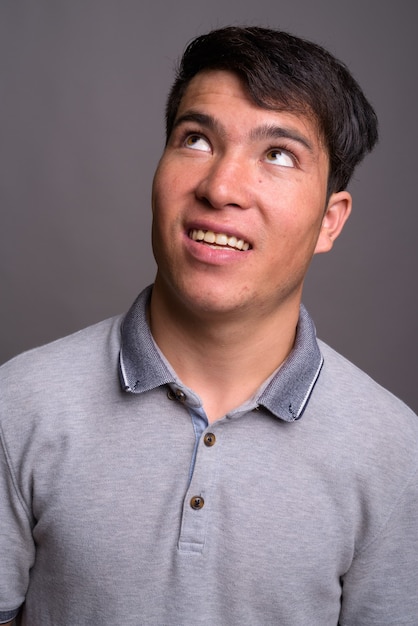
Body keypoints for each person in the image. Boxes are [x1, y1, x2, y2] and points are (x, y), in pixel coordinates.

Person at [1, 25, 417, 626]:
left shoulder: (393, 450)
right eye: (196, 139)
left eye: (278, 155)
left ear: (331, 221)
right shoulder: (21, 404)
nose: (221, 188)